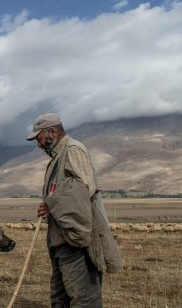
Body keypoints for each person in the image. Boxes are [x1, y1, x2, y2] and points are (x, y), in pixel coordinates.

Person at [26, 113, 121, 308]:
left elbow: (85, 189)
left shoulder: (73, 150)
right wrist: (50, 206)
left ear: (52, 131)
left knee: (84, 299)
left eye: (39, 138)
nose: (38, 144)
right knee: (61, 299)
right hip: (63, 240)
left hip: (77, 242)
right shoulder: (58, 157)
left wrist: (52, 204)